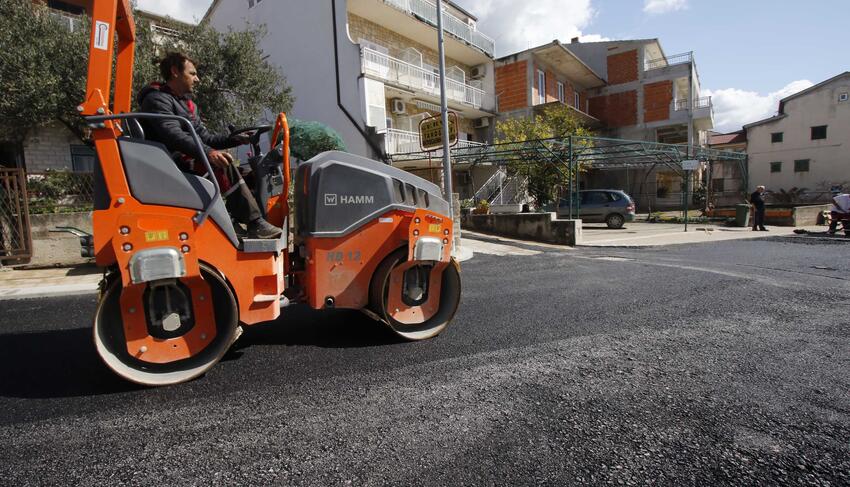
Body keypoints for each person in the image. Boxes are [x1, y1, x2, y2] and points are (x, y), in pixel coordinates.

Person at [137, 52, 281, 239]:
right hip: (170, 163)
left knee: (249, 174)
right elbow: (174, 136)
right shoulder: (157, 100)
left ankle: (232, 220)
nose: (197, 79)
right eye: (192, 73)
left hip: (185, 159)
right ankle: (255, 223)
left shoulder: (187, 105)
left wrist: (235, 139)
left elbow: (206, 138)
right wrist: (209, 153)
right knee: (222, 165)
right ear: (175, 72)